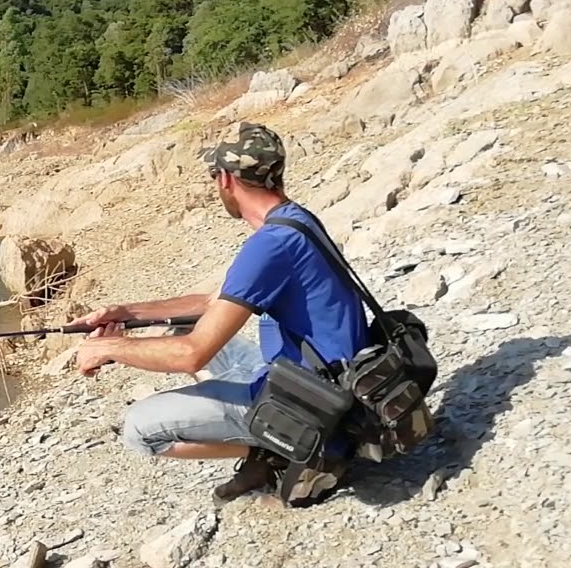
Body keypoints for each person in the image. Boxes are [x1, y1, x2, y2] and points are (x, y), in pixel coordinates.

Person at [68, 121, 371, 506]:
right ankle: (263, 444)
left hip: (308, 404)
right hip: (322, 377)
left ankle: (272, 450)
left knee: (139, 431)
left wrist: (108, 348)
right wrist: (126, 312)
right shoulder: (295, 221)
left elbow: (193, 355)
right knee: (180, 328)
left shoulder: (270, 247)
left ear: (226, 180)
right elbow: (216, 301)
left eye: (215, 175)